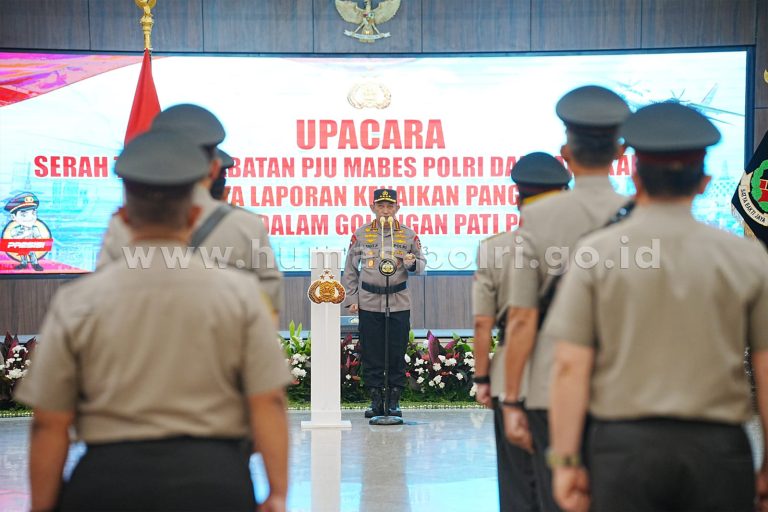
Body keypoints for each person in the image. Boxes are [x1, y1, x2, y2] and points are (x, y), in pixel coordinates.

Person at [15, 130, 292, 512]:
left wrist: (42, 507)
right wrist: (277, 495)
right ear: (195, 214)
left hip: (107, 483)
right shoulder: (240, 294)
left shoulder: (77, 300)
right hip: (214, 482)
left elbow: (49, 422)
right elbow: (268, 401)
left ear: (124, 214)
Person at [546, 102, 768, 512]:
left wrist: (564, 461)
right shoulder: (748, 259)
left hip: (623, 451)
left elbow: (569, 366)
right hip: (719, 452)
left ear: (634, 174)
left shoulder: (595, 254)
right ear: (704, 181)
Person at [501, 86, 630, 510]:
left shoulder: (538, 218)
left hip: (548, 387)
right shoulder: (642, 213)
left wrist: (512, 398)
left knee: (556, 498)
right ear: (619, 150)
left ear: (565, 152)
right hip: (623, 387)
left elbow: (521, 318)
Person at [97, 104, 284, 317]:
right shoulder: (247, 226)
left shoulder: (123, 226)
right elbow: (268, 312)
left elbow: (102, 305)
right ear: (214, 168)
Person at [472, 152, 571, 511]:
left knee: (516, 483)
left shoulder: (493, 248)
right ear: (564, 193)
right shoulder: (586, 245)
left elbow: (483, 322)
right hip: (569, 371)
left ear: (517, 198)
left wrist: (483, 377)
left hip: (510, 376)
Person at [342, 188, 425, 418]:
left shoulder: (408, 235)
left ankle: (394, 400)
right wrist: (351, 299)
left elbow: (421, 266)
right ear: (373, 208)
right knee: (372, 352)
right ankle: (376, 399)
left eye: (390, 206)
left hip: (398, 301)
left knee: (396, 351)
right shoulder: (361, 234)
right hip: (368, 301)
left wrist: (411, 263)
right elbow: (350, 269)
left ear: (397, 208)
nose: (385, 210)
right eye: (381, 206)